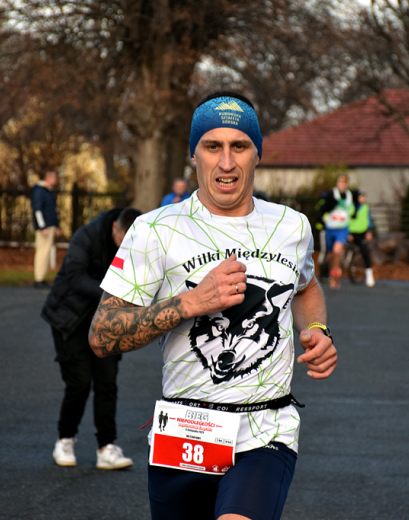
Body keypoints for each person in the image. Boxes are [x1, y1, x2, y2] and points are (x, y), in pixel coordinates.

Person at [89, 92, 337, 520]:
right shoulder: (155, 230)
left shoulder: (291, 226)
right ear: (194, 155)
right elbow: (102, 334)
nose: (226, 163)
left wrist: (317, 330)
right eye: (212, 146)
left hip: (266, 430)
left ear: (257, 153)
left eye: (239, 146)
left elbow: (306, 287)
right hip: (185, 431)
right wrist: (189, 302)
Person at [41, 206, 142, 469]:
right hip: (70, 318)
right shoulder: (86, 235)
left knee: (107, 383)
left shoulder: (138, 243)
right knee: (79, 383)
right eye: (122, 241)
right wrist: (113, 296)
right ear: (114, 229)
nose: (125, 248)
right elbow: (75, 277)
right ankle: (65, 439)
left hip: (108, 321)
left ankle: (106, 447)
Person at [316, 174, 354, 289]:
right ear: (337, 183)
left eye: (345, 183)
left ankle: (336, 278)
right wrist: (320, 222)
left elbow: (351, 213)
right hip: (330, 228)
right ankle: (332, 275)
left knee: (337, 251)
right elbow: (321, 208)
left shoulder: (349, 196)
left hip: (342, 228)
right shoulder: (330, 195)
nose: (342, 185)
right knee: (331, 254)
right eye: (341, 183)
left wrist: (351, 230)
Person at [31, 170, 60, 288]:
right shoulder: (39, 191)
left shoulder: (48, 192)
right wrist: (42, 227)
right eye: (54, 177)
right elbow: (37, 210)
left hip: (50, 227)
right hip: (44, 228)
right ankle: (38, 278)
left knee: (46, 252)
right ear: (48, 177)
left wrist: (56, 226)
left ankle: (41, 277)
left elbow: (52, 211)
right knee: (42, 252)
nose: (56, 180)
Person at [348, 190, 376, 287]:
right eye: (361, 197)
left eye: (364, 197)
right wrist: (348, 232)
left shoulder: (366, 208)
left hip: (362, 233)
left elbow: (369, 220)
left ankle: (369, 273)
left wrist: (369, 231)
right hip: (352, 233)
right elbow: (347, 220)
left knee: (365, 251)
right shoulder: (351, 207)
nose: (363, 199)